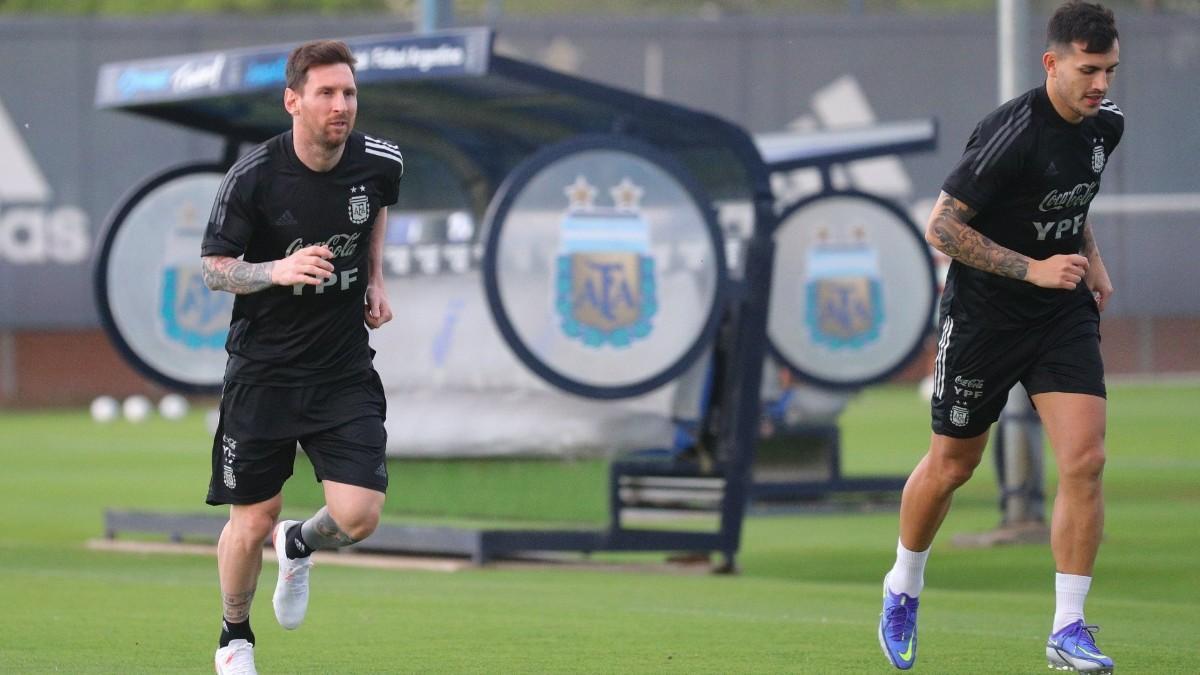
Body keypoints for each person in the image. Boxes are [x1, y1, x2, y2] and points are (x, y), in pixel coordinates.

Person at [877, 2, 1121, 672]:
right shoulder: (1012, 132)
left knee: (1086, 459)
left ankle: (1068, 627)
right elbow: (943, 227)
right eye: (1087, 69)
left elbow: (1073, 195)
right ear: (1053, 63)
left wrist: (1087, 256)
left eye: (1108, 69)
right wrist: (1032, 267)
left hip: (1060, 315)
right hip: (984, 317)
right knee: (953, 465)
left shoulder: (1107, 127)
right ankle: (903, 584)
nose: (1100, 83)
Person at [200, 39, 403, 674]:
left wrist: (375, 279)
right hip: (263, 373)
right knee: (251, 518)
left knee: (359, 516)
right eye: (326, 93)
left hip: (341, 368)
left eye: (348, 93)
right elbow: (214, 269)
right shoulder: (255, 175)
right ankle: (235, 637)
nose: (341, 105)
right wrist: (277, 270)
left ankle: (301, 543)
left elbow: (374, 212)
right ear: (293, 101)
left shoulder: (381, 160)